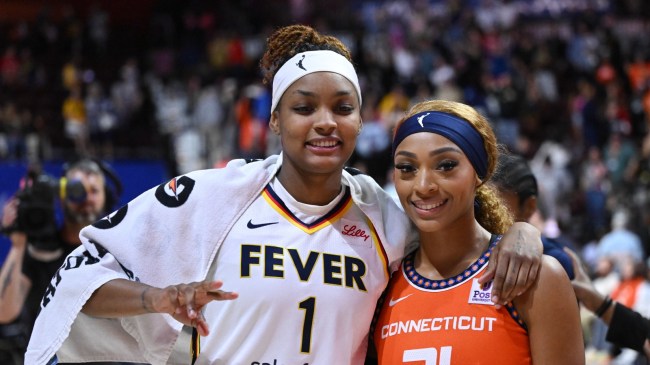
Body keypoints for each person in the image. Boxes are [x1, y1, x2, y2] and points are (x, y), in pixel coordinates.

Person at [26, 25, 543, 365]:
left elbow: (459, 241)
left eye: (343, 108)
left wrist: (518, 233)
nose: (325, 123)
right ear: (274, 119)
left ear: (361, 122)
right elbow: (80, 275)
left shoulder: (385, 216)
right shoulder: (210, 197)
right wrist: (156, 297)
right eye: (304, 108)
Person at [371, 100, 584, 364]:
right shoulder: (380, 287)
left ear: (479, 173)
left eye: (446, 165)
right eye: (407, 168)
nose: (423, 185)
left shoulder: (534, 278)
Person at [0, 159, 119, 364]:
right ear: (61, 197)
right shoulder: (39, 250)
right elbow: (4, 312)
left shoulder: (115, 252)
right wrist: (18, 245)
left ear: (105, 198)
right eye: (77, 190)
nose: (87, 198)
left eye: (94, 191)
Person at [492, 152, 575, 279]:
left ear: (529, 206)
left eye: (498, 208)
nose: (488, 215)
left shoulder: (553, 261)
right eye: (482, 203)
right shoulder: (472, 248)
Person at [566, 247, 650, 360]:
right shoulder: (623, 283)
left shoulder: (642, 286)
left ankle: (604, 352)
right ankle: (596, 348)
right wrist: (599, 304)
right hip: (621, 315)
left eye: (628, 265)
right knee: (597, 319)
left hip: (631, 316)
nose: (624, 268)